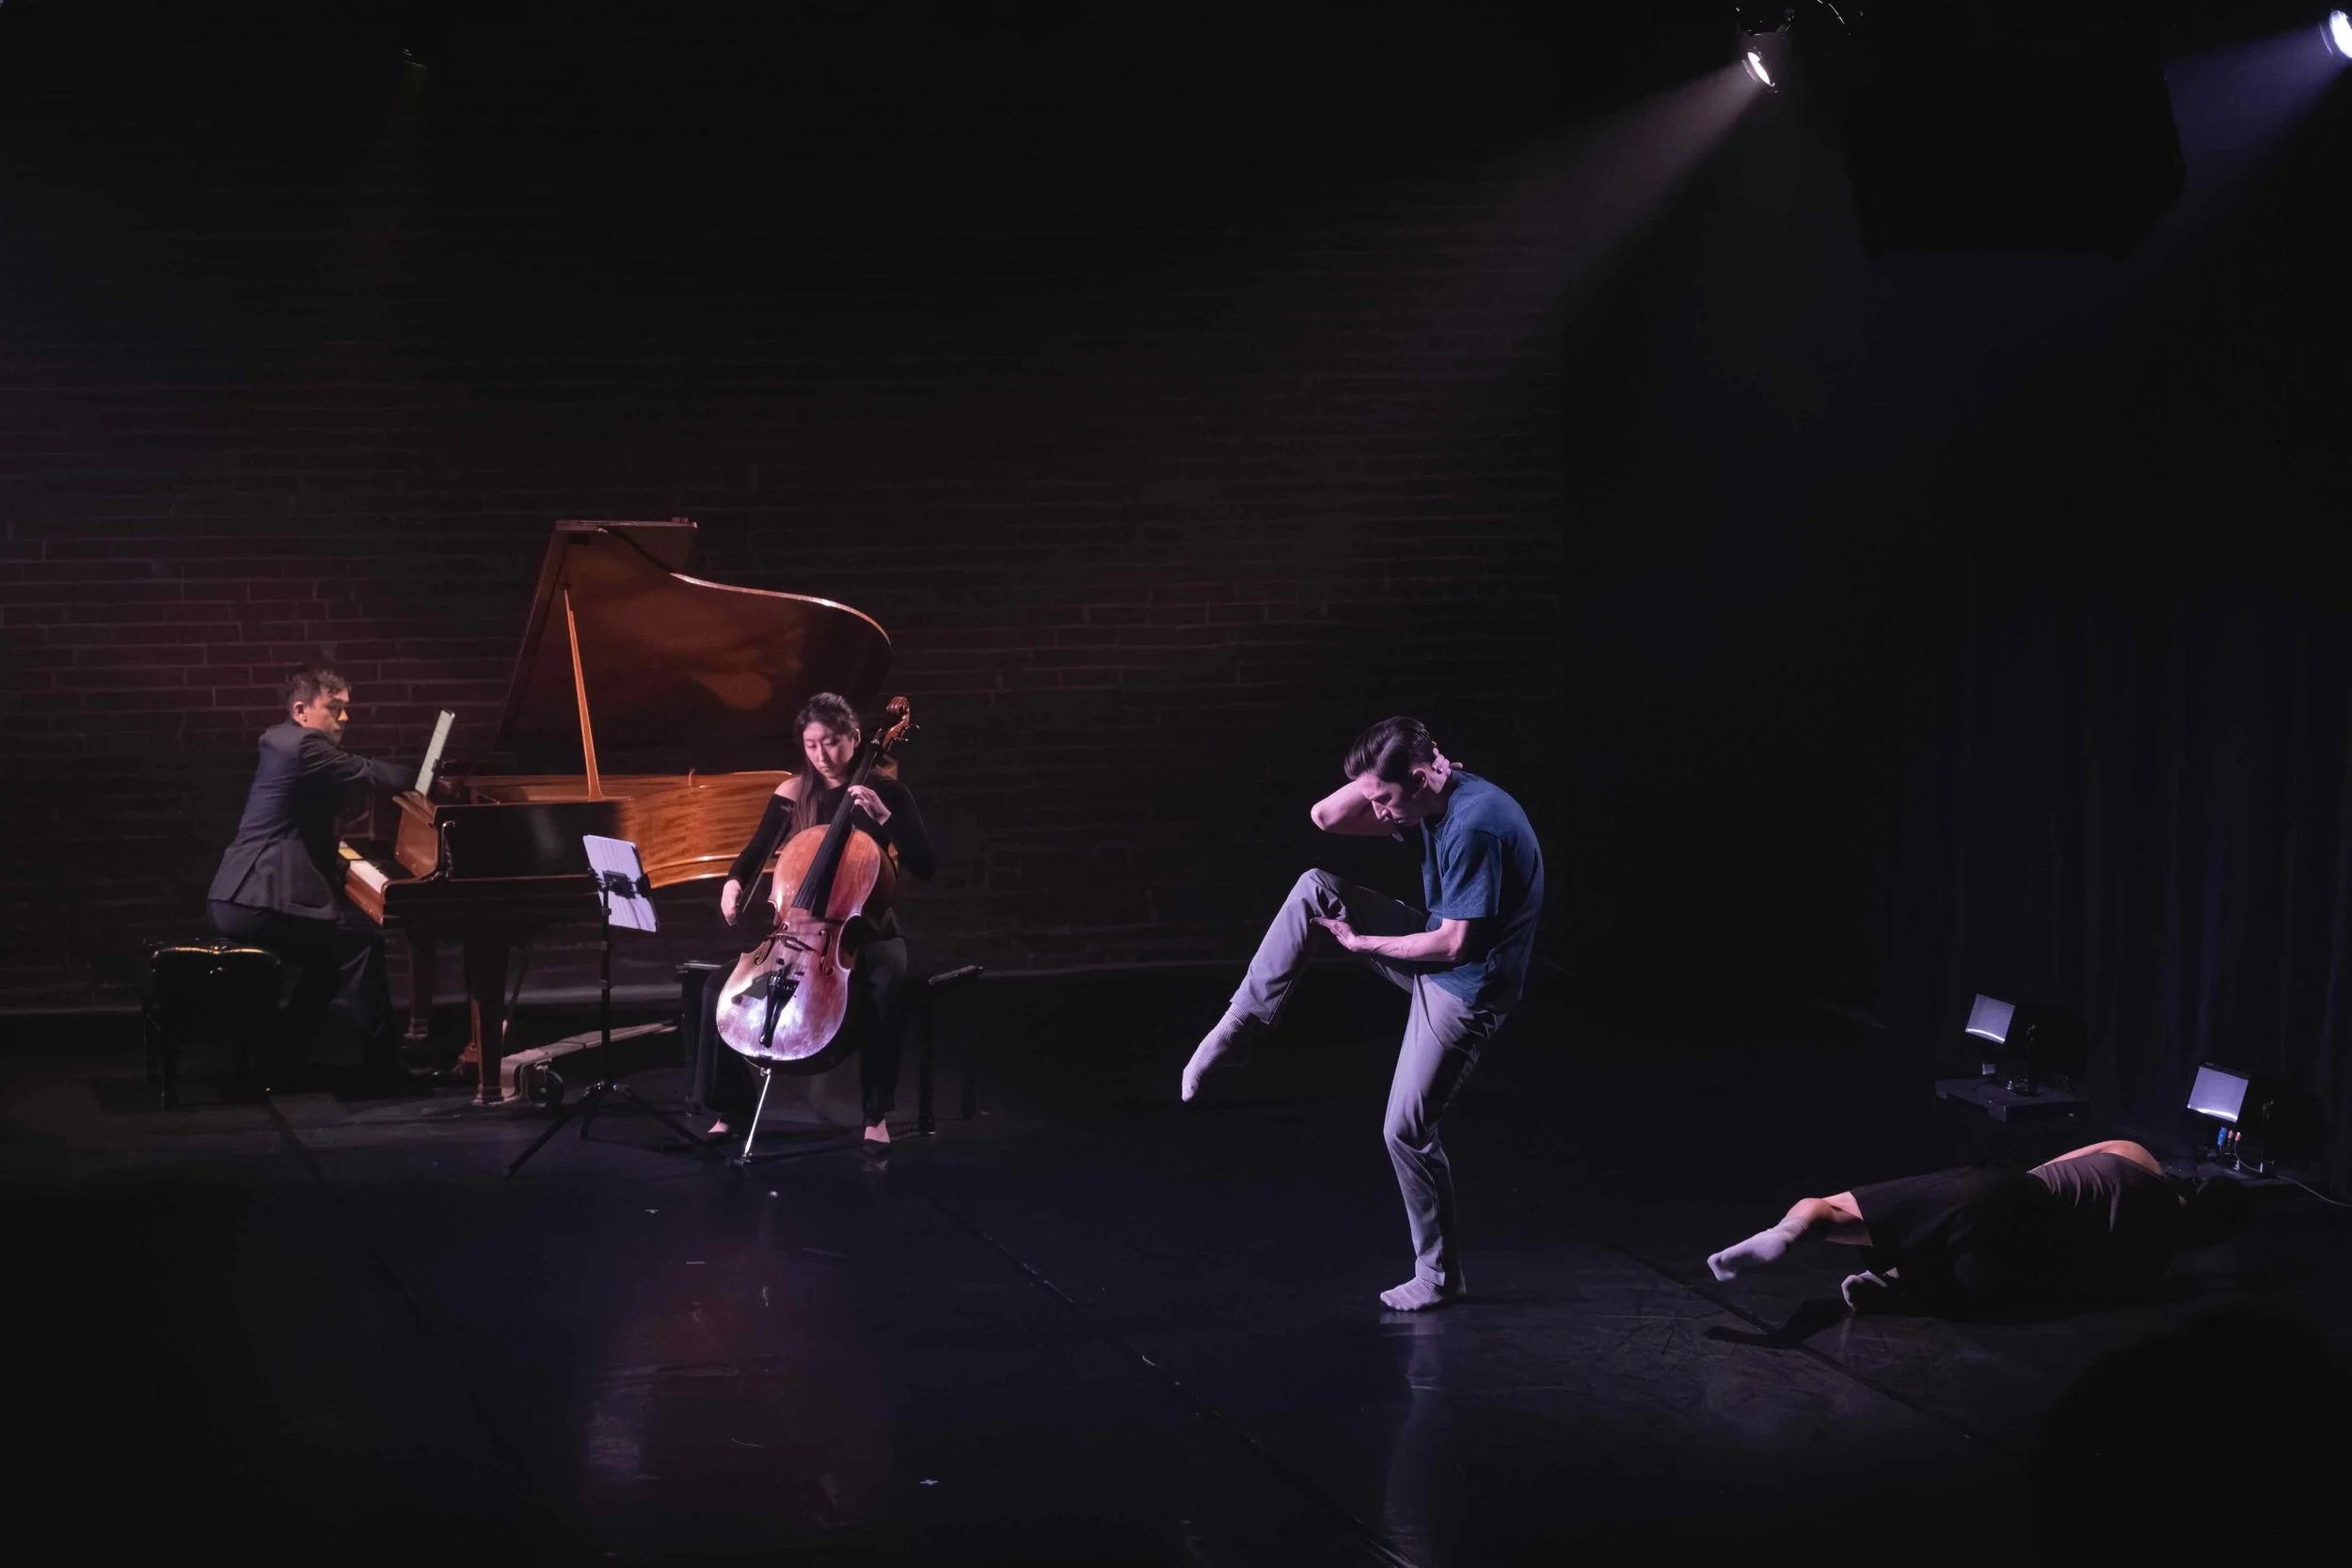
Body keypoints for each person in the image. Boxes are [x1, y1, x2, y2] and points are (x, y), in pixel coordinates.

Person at [1181, 716, 1546, 1312]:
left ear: (1426, 777)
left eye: (1386, 800)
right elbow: (1326, 817)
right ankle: (1236, 1026)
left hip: (1466, 989)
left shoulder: (1477, 825)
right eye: (1374, 800)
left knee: (1403, 1130)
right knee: (1313, 888)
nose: (1377, 814)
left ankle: (1438, 1276)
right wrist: (1382, 766)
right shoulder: (1430, 796)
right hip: (1435, 945)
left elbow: (1455, 947)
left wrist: (1362, 945)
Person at [691, 692, 938, 1148]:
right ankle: (731, 1107)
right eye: (810, 745)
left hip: (867, 931)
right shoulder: (792, 792)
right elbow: (755, 853)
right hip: (796, 933)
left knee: (886, 986)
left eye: (831, 743)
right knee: (714, 989)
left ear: (855, 738)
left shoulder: (887, 792)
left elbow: (926, 864)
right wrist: (733, 883)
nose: (821, 756)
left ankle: (875, 1114)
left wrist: (885, 819)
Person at [1705, 1137, 2249, 1313]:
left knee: (1831, 1209)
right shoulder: (2151, 1270)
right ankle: (1901, 1283)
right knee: (1986, 1275)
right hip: (2006, 1273)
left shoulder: (2139, 1156)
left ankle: (1787, 1233)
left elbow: (2050, 1169)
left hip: (2012, 1196)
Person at [207, 663, 417, 1077]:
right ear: (302, 710)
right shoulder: (305, 746)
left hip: (239, 896)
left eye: (346, 708)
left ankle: (281, 1055)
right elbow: (371, 773)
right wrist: (428, 780)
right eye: (334, 708)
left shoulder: (285, 740)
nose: (344, 717)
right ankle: (385, 1071)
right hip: (256, 899)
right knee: (360, 950)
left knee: (330, 959)